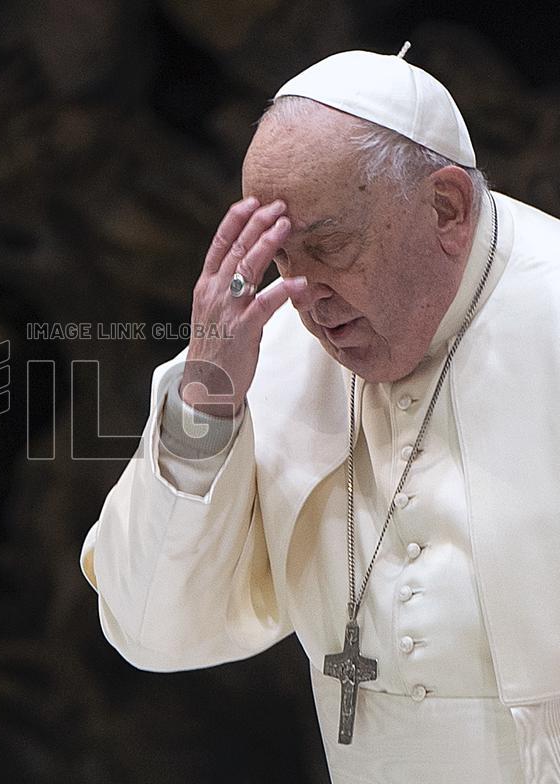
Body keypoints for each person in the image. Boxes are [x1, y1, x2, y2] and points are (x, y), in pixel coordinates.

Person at [79, 47, 560, 783]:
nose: (304, 293)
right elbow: (149, 630)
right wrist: (205, 401)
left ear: (445, 208)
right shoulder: (266, 355)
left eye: (330, 247)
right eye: (279, 258)